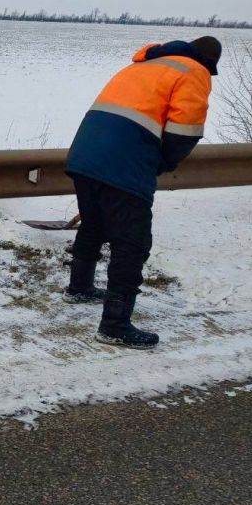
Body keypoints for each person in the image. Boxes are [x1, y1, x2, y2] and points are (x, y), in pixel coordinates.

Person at [63, 35, 221, 349]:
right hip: (124, 164)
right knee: (132, 244)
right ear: (210, 62)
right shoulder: (194, 72)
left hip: (83, 155)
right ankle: (115, 324)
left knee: (94, 225)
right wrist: (163, 162)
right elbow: (183, 131)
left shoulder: (142, 66)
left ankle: (79, 288)